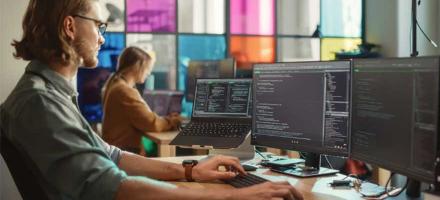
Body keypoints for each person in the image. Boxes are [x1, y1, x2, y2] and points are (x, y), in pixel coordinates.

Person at [0, 0, 303, 199]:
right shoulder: (39, 103)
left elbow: (113, 157)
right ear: (69, 26)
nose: (102, 38)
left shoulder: (51, 95)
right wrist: (233, 195)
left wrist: (190, 171)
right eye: (99, 26)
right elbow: (113, 186)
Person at [101, 46, 181, 154]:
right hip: (124, 151)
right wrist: (173, 121)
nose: (148, 73)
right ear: (137, 67)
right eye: (147, 68)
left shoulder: (114, 82)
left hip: (114, 148)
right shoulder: (124, 91)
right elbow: (151, 123)